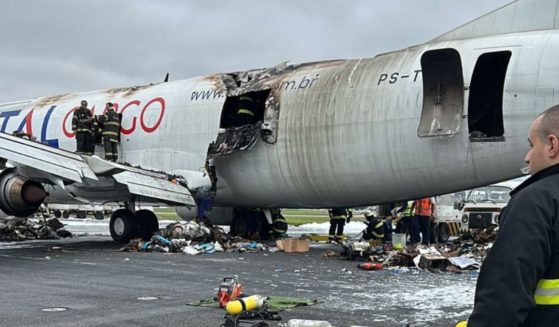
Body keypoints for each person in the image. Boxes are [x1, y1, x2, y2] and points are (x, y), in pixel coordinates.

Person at [466, 105, 559, 326]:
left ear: (552, 145)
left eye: (531, 145)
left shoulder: (538, 201)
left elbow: (503, 298)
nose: (527, 157)